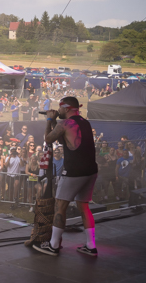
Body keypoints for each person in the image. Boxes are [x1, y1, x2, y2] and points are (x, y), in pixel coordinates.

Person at [33, 97, 99, 257]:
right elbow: (64, 139)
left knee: (60, 206)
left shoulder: (65, 123)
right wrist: (56, 122)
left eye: (60, 108)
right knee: (84, 206)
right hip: (90, 171)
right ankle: (91, 245)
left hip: (74, 171)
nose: (59, 110)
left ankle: (53, 245)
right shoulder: (85, 122)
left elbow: (48, 139)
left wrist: (49, 120)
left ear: (67, 108)